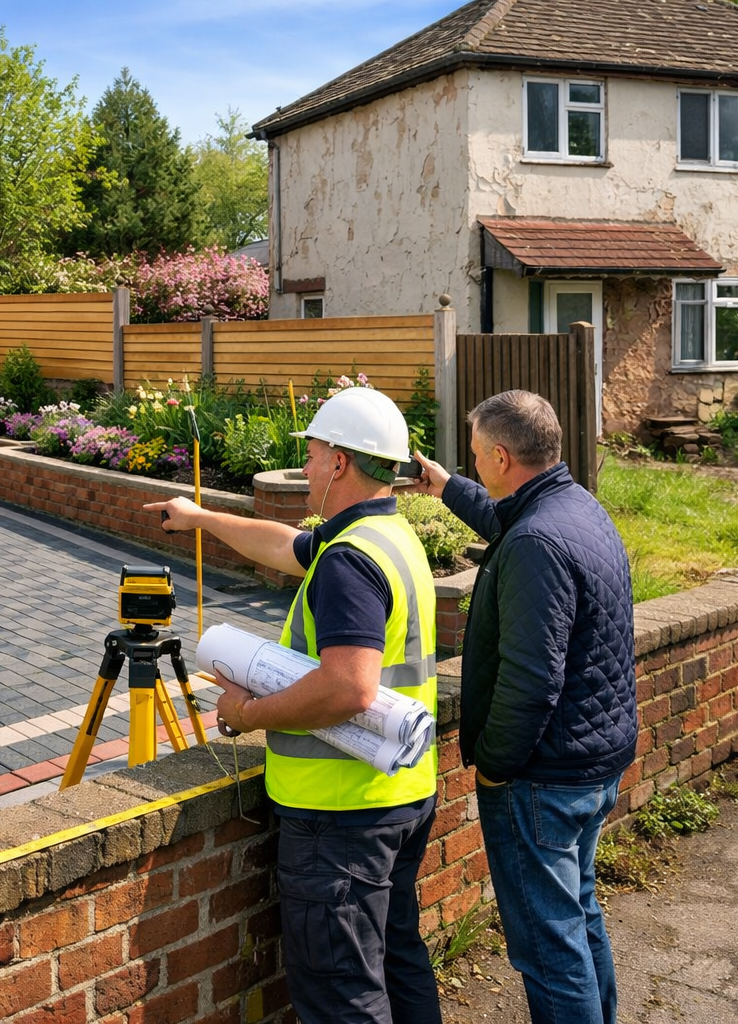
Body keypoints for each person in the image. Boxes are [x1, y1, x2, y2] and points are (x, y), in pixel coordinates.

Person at [147, 386, 441, 1024]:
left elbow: (348, 688)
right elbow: (284, 546)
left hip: (340, 816)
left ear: (337, 462)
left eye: (309, 455)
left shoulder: (349, 563)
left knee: (343, 996)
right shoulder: (387, 535)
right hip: (401, 792)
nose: (304, 468)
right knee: (397, 961)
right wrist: (199, 518)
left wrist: (248, 714)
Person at [410, 390, 636, 1024]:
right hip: (595, 758)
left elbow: (532, 680)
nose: (476, 463)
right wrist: (446, 486)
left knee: (547, 947)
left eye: (478, 454)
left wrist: (495, 767)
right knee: (578, 915)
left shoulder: (537, 541)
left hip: (543, 775)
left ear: (503, 455)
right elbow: (510, 520)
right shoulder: (574, 505)